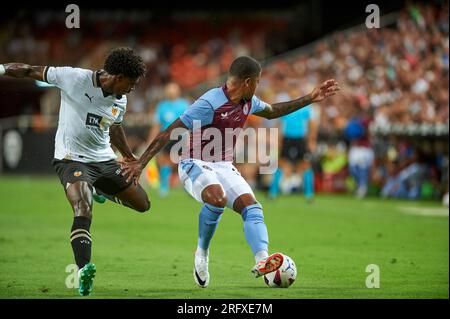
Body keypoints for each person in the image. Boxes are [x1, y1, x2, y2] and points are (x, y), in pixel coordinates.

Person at [121, 56, 340, 288]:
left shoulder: (250, 101)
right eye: (258, 81)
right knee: (217, 198)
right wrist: (140, 163)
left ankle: (263, 260)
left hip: (224, 165)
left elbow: (274, 110)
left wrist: (310, 98)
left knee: (253, 208)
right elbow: (169, 132)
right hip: (194, 162)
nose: (258, 86)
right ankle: (202, 253)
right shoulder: (209, 103)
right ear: (248, 82)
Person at [0, 47, 151, 296]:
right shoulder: (73, 78)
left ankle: (101, 188)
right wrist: (2, 69)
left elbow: (114, 128)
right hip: (72, 159)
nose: (132, 89)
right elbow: (29, 70)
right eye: (132, 83)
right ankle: (83, 270)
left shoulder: (120, 99)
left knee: (143, 204)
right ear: (119, 77)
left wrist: (128, 156)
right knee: (83, 207)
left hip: (104, 160)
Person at [146, 82, 189, 196]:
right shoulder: (162, 106)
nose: (171, 92)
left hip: (181, 135)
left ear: (178, 92)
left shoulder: (184, 104)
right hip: (167, 135)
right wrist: (151, 139)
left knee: (184, 161)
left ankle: (187, 186)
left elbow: (190, 122)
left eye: (173, 90)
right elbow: (157, 124)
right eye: (169, 90)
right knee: (164, 161)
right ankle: (164, 186)